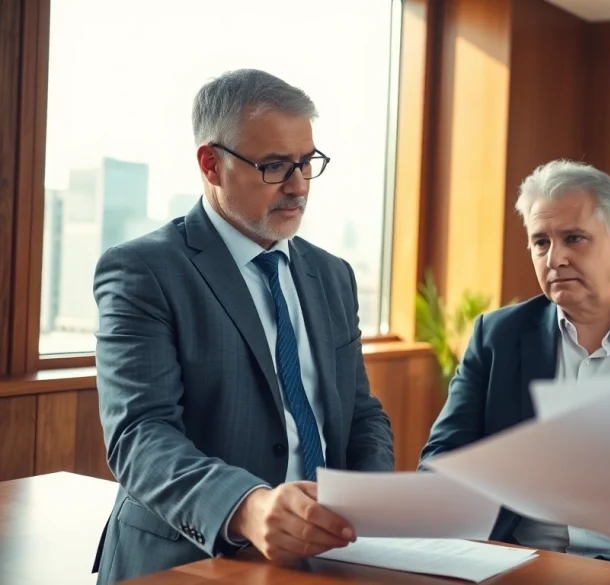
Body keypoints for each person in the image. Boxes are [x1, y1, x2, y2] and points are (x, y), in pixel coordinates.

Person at [91, 69, 394, 585]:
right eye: (275, 166)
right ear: (212, 164)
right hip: (190, 561)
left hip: (326, 560)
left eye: (306, 163)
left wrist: (370, 504)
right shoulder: (144, 270)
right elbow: (140, 435)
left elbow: (359, 412)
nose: (298, 186)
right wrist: (249, 507)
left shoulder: (333, 275)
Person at [419, 159, 610, 576]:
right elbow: (439, 462)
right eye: (540, 242)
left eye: (574, 238)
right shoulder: (497, 337)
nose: (555, 258)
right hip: (521, 563)